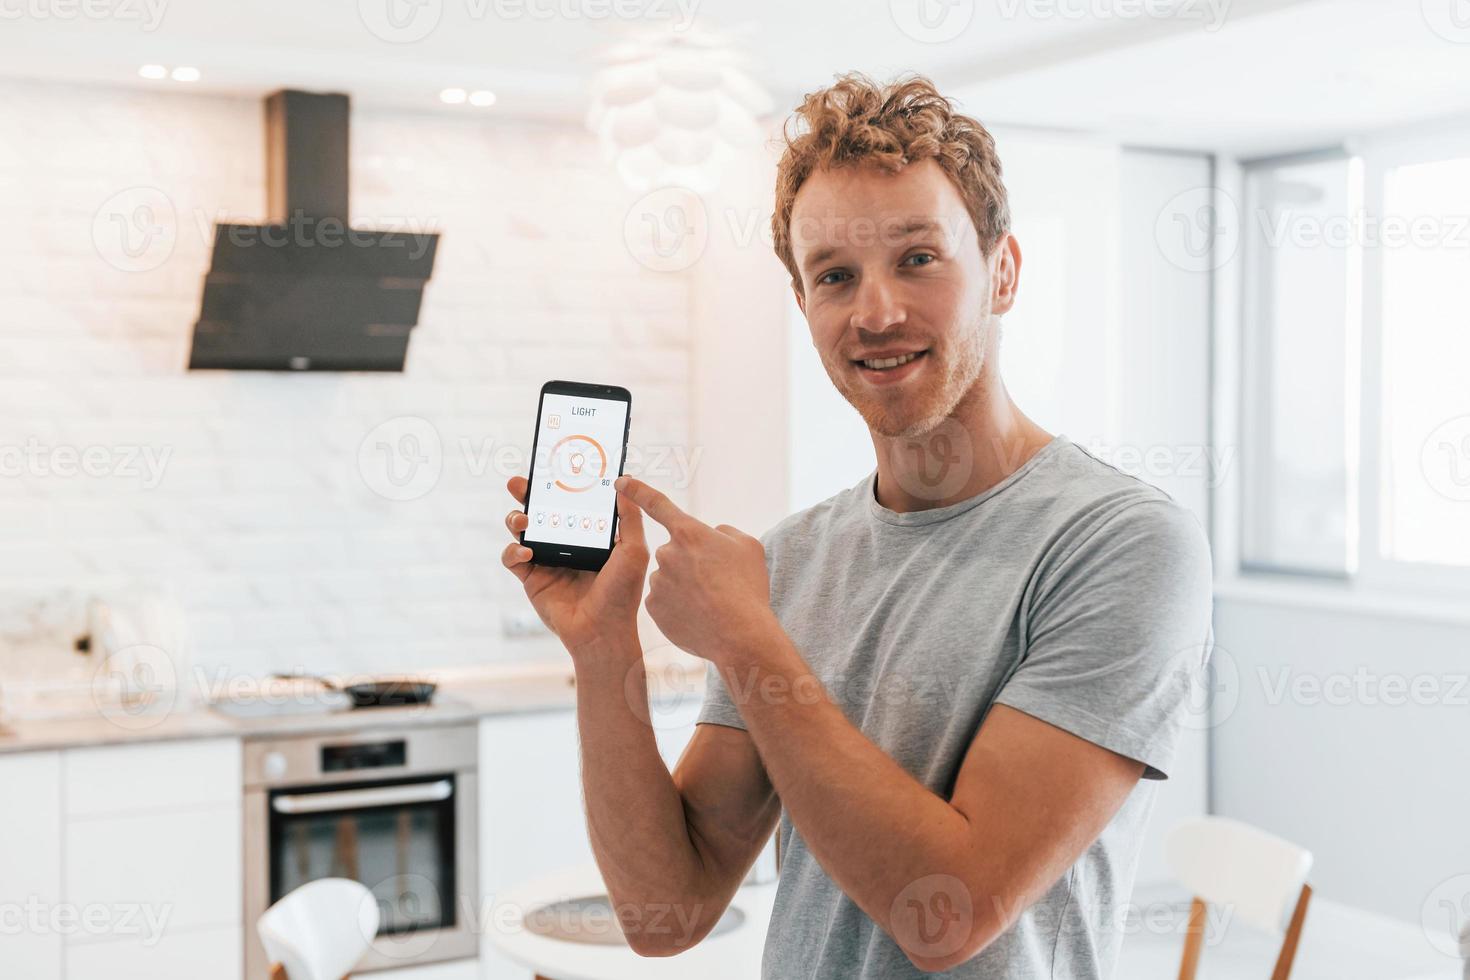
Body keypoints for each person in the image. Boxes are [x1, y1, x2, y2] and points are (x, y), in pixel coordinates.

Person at [501, 71, 1214, 979]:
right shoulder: (793, 560)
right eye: (835, 275)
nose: (876, 311)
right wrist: (604, 651)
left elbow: (946, 915)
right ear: (805, 306)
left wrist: (748, 639)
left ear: (1002, 271)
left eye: (918, 257)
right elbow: (664, 912)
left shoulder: (1122, 544)